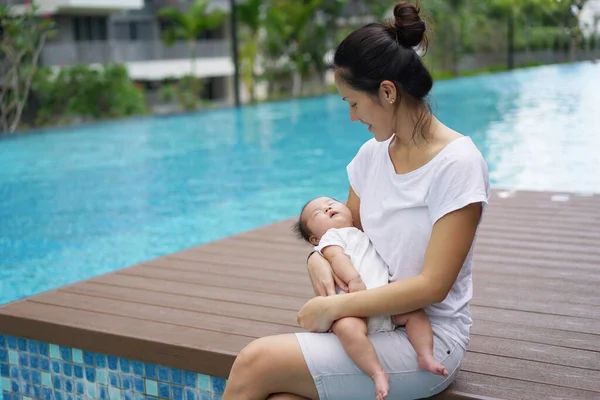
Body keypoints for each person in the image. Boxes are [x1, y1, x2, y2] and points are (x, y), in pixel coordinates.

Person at [222, 1, 490, 399]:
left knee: (255, 361)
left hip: (428, 341)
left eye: (353, 103)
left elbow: (433, 286)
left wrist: (332, 309)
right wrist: (316, 258)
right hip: (368, 323)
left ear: (387, 92)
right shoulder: (370, 158)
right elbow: (350, 237)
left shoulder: (458, 164)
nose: (351, 117)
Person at [293, 196, 448, 400]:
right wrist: (353, 278)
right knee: (348, 329)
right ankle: (376, 372)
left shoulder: (365, 233)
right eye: (318, 212)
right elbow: (337, 257)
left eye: (331, 202)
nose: (328, 207)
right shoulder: (332, 238)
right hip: (353, 307)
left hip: (383, 304)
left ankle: (425, 355)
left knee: (415, 315)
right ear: (314, 239)